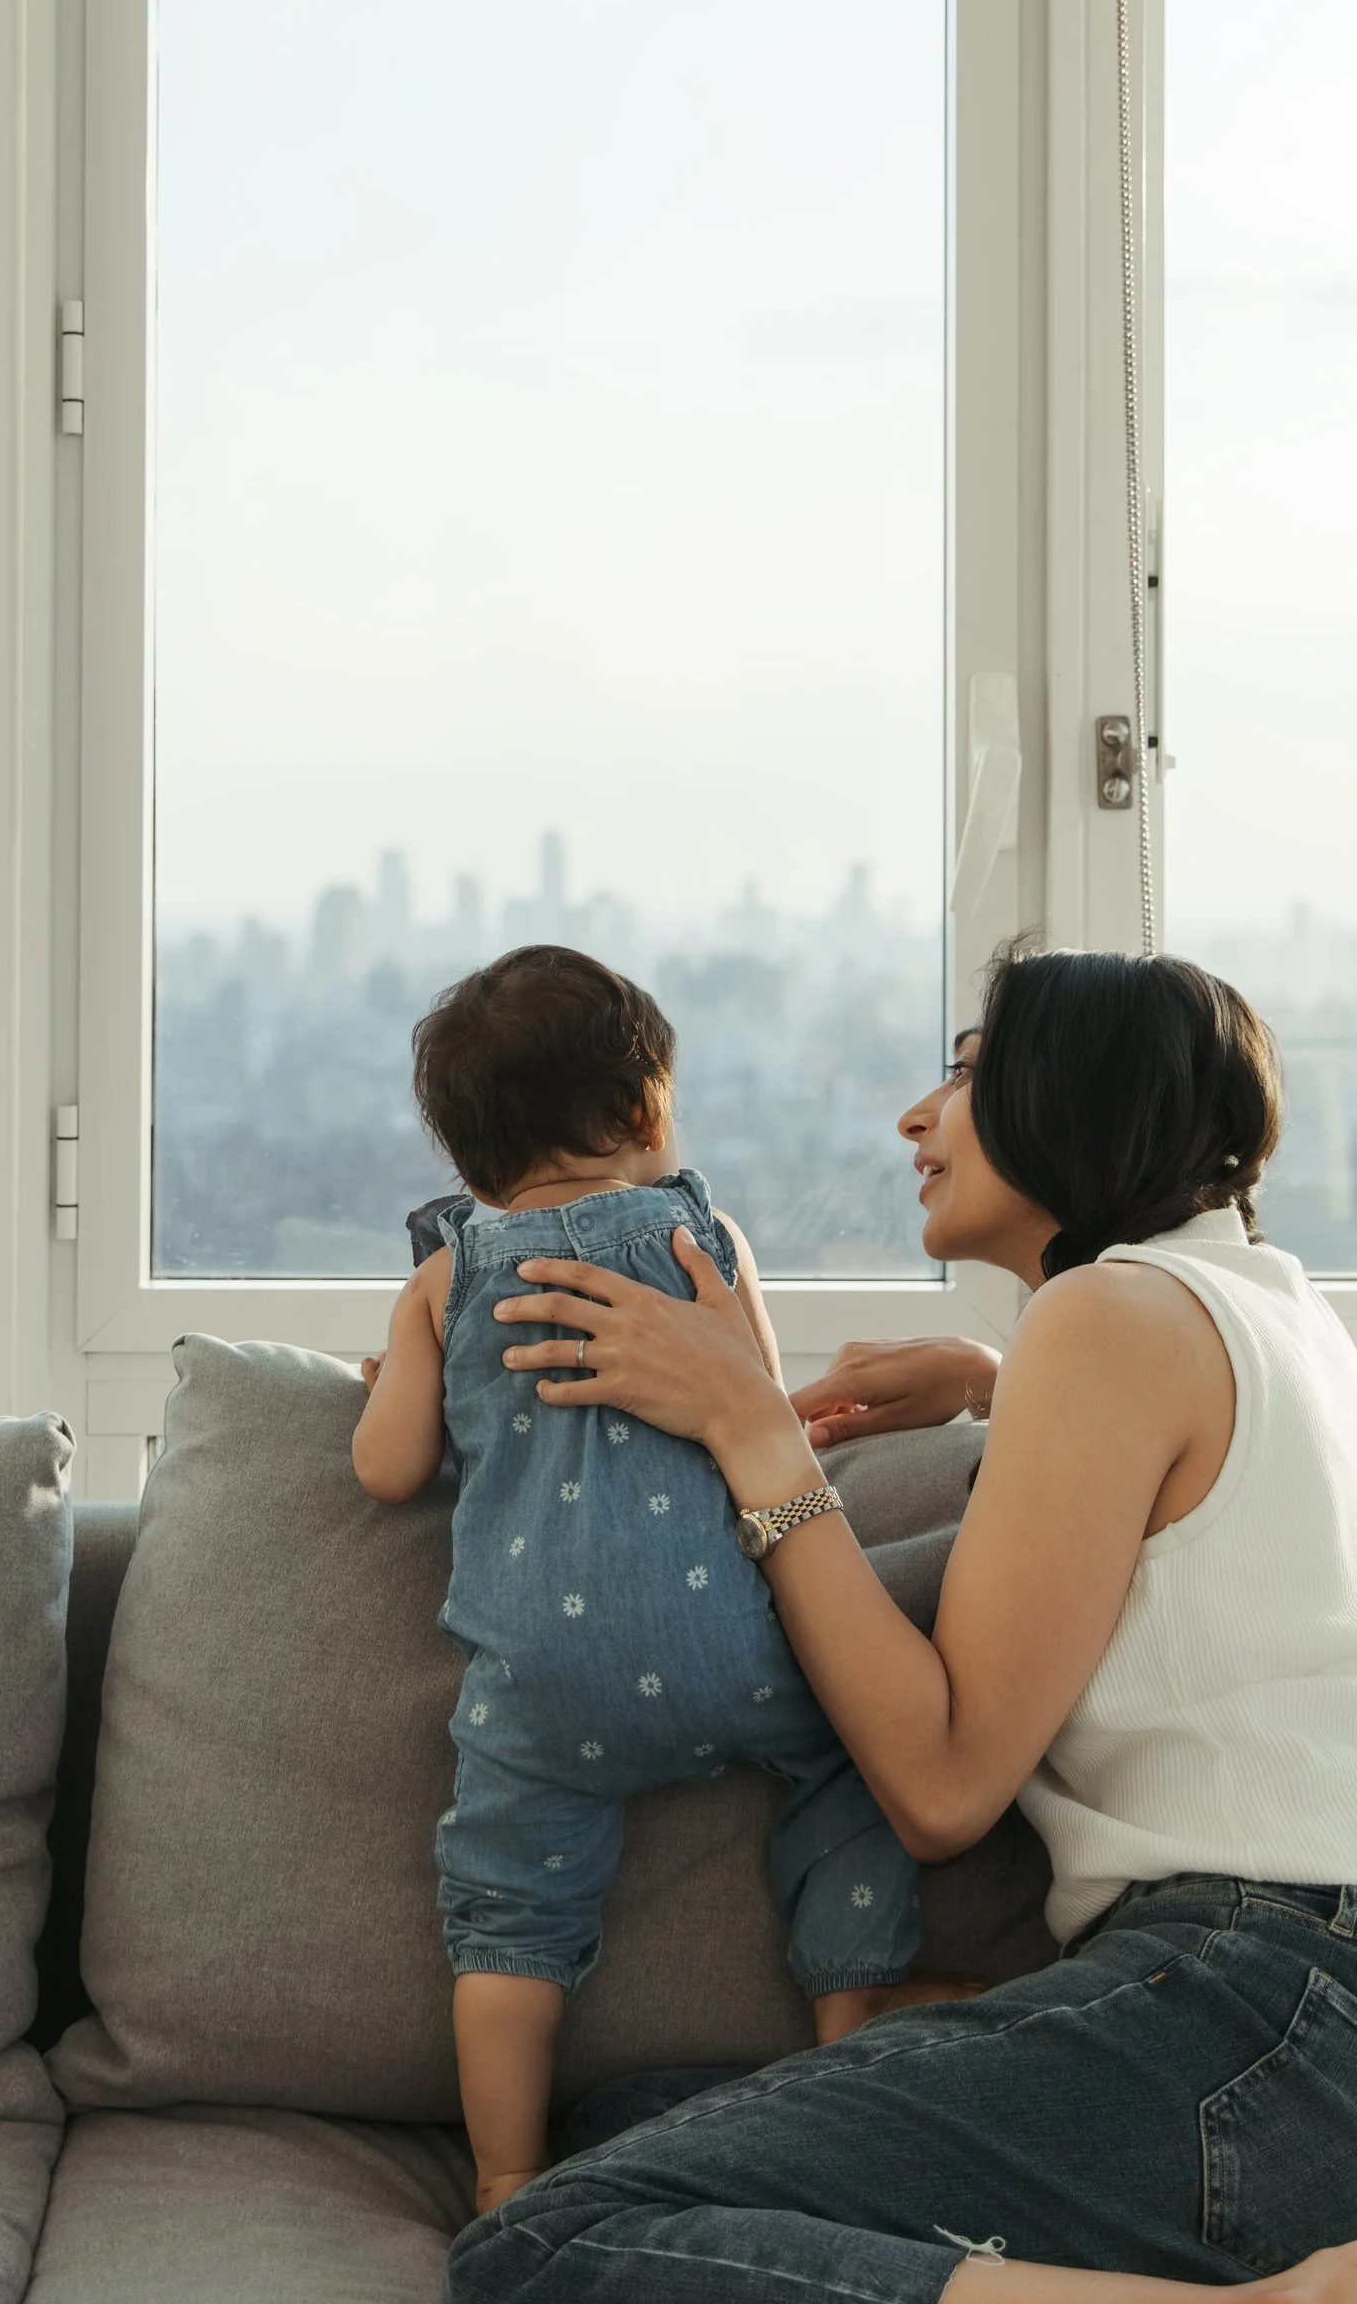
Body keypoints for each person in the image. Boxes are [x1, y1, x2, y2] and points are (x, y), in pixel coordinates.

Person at [436, 948, 1357, 2304]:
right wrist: (993, 1381)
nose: (917, 1113)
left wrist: (753, 1430)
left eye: (963, 1071)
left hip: (1299, 2029)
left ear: (1070, 1097)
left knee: (531, 2263)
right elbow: (1180, 1499)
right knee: (631, 2131)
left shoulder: (1111, 1322)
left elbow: (945, 1787)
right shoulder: (1262, 1307)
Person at [353, 944, 932, 2217]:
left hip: (542, 1688)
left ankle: (506, 2176)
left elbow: (390, 1468)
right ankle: (851, 2029)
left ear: (464, 1153)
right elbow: (757, 1406)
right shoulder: (699, 1234)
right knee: (852, 1770)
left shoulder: (444, 1281)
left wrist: (393, 1375)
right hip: (737, 1643)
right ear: (639, 1110)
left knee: (507, 1913)